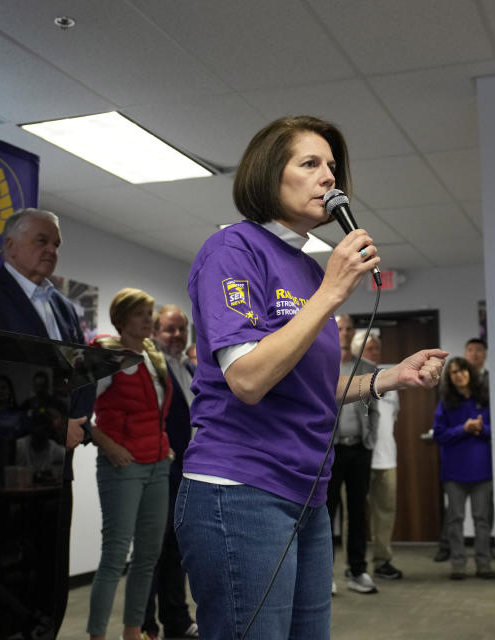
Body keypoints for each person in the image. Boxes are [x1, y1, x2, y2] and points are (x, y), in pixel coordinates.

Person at [174, 115, 446, 640]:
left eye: (333, 168)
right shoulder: (234, 249)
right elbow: (250, 380)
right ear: (269, 173)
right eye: (311, 164)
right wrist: (330, 295)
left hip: (307, 495)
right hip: (241, 489)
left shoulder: (307, 269)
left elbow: (308, 389)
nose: (330, 179)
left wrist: (389, 378)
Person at [0, 207, 93, 632]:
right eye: (41, 241)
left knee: (50, 575)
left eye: (56, 244)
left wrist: (79, 418)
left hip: (57, 466)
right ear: (9, 246)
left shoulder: (66, 308)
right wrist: (54, 421)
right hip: (3, 464)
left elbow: (83, 370)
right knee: (6, 575)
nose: (51, 250)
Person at [87, 288, 173, 640]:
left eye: (149, 313)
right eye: (140, 314)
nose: (148, 320)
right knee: (115, 555)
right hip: (123, 467)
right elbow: (77, 413)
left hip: (157, 464)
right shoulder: (106, 356)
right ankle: (96, 636)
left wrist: (164, 449)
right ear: (121, 320)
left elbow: (158, 412)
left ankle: (132, 632)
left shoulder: (153, 357)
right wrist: (108, 446)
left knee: (148, 556)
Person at [142, 305, 198, 639]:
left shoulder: (190, 368)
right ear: (154, 332)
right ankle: (145, 626)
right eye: (169, 330)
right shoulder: (151, 367)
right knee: (151, 551)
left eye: (181, 330)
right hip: (159, 471)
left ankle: (176, 620)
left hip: (186, 474)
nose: (176, 336)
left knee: (176, 549)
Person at [327, 314, 380, 594]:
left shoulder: (367, 368)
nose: (344, 333)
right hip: (330, 450)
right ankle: (325, 575)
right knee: (326, 511)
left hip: (359, 448)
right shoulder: (321, 365)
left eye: (348, 329)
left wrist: (370, 438)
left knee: (358, 512)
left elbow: (375, 410)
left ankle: (357, 571)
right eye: (339, 328)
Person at [433, 357, 494, 580]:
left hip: (483, 471)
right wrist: (464, 428)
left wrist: (481, 429)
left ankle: (484, 564)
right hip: (454, 473)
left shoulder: (485, 399)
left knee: (482, 520)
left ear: (470, 373)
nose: (459, 375)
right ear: (449, 378)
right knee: (455, 520)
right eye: (454, 372)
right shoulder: (445, 403)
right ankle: (458, 565)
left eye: (462, 371)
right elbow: (439, 435)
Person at [358, 331, 403, 580]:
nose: (371, 353)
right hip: (358, 456)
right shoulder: (349, 377)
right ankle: (357, 565)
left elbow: (393, 416)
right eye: (367, 348)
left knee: (385, 510)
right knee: (355, 513)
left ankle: (382, 561)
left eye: (375, 349)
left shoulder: (389, 380)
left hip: (386, 457)